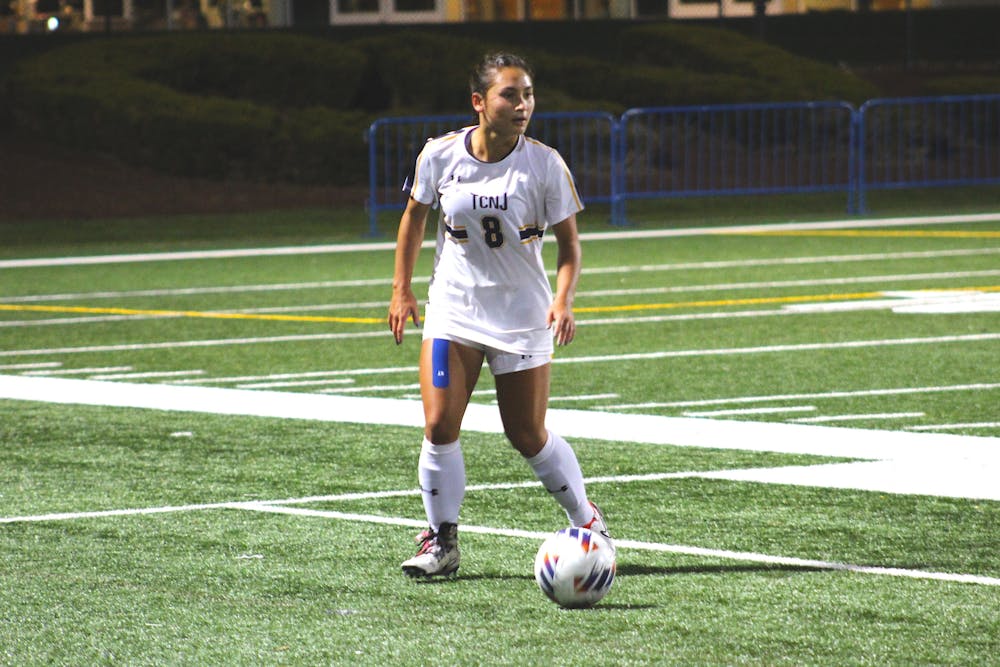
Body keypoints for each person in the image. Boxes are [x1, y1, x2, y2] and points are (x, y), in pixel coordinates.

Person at [387, 52, 611, 578]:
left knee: (527, 434)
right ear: (479, 102)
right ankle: (440, 542)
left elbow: (570, 246)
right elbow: (413, 220)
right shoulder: (439, 155)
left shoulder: (545, 164)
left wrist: (563, 299)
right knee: (440, 423)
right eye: (510, 95)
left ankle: (587, 520)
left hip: (522, 315)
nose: (522, 105)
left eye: (528, 94)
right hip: (454, 310)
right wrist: (402, 290)